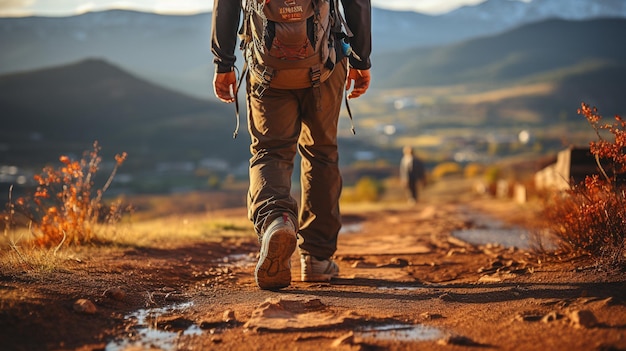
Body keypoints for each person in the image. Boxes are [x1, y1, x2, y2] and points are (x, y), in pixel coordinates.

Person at [211, 0, 371, 290]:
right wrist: (361, 59)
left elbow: (226, 4)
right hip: (326, 59)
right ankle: (317, 260)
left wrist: (223, 62)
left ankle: (277, 220)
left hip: (266, 66)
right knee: (321, 153)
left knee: (269, 151)